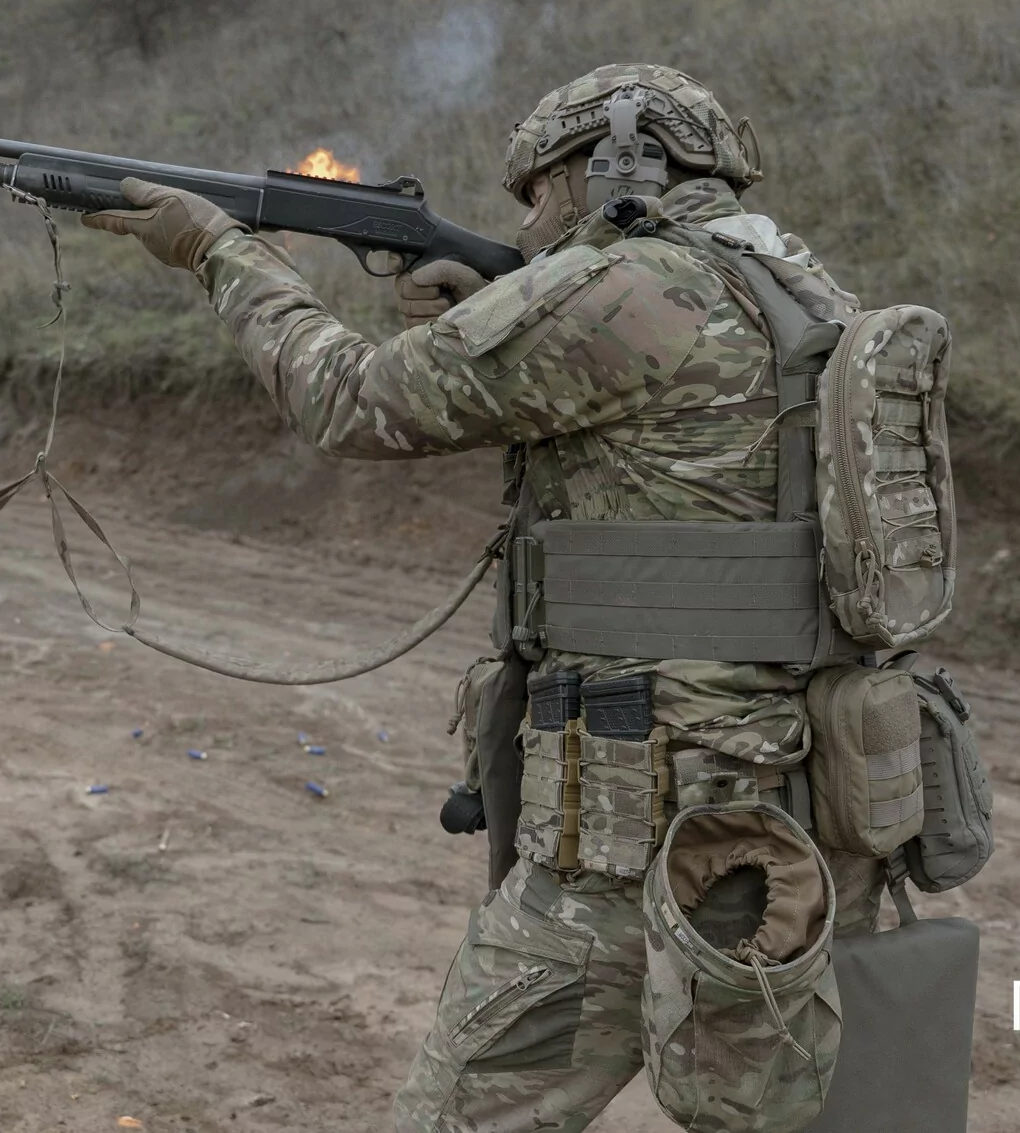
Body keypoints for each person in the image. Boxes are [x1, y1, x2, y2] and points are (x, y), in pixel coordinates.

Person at [83, 64, 878, 1133]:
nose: (531, 221)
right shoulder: (795, 288)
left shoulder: (625, 286)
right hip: (799, 797)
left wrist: (219, 251)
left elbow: (350, 402)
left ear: (606, 168)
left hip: (640, 827)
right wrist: (486, 307)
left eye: (536, 192)